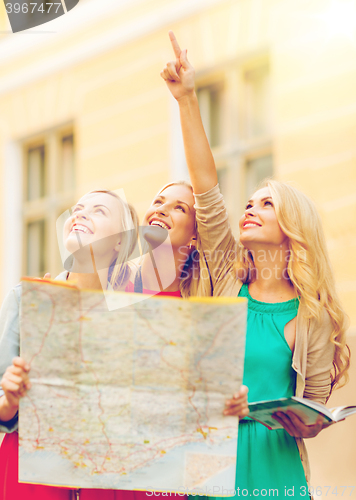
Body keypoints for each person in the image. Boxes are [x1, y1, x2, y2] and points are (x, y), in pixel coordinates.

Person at [160, 31, 350, 497]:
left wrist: (305, 424)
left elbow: (315, 414)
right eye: (249, 202)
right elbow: (206, 184)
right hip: (209, 466)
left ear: (292, 227)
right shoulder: (226, 279)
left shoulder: (315, 318)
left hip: (275, 475)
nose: (249, 208)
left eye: (265, 204)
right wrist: (186, 99)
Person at [0, 189, 145, 500]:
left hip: (109, 478)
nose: (80, 214)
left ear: (121, 240)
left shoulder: (140, 313)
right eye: (77, 209)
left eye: (98, 211)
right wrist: (10, 400)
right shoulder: (26, 298)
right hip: (33, 476)